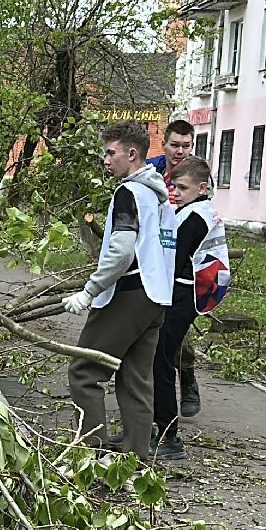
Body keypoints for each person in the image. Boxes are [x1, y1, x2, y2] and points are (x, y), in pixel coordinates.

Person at [60, 122, 175, 460]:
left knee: (84, 372)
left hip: (127, 294)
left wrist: (89, 291)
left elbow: (122, 252)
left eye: (111, 153)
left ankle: (90, 456)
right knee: (135, 380)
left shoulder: (129, 193)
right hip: (155, 297)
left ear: (132, 154)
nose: (106, 160)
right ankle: (135, 462)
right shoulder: (158, 196)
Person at [149, 158, 231, 460]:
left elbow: (173, 258)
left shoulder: (195, 217)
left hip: (182, 294)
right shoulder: (199, 211)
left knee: (160, 360)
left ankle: (168, 435)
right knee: (157, 358)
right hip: (184, 292)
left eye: (182, 188)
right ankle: (149, 427)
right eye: (173, 186)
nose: (176, 192)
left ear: (202, 187)